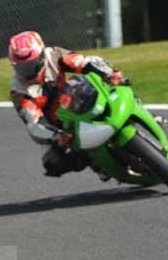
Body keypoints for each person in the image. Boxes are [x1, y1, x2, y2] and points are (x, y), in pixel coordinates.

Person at [8, 30, 129, 178]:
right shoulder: (18, 90)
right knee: (52, 163)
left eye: (30, 64)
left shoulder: (54, 55)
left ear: (40, 56)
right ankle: (97, 162)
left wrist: (111, 73)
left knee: (116, 86)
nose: (26, 71)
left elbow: (84, 62)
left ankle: (137, 114)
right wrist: (56, 135)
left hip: (74, 100)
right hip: (59, 126)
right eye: (21, 67)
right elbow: (34, 122)